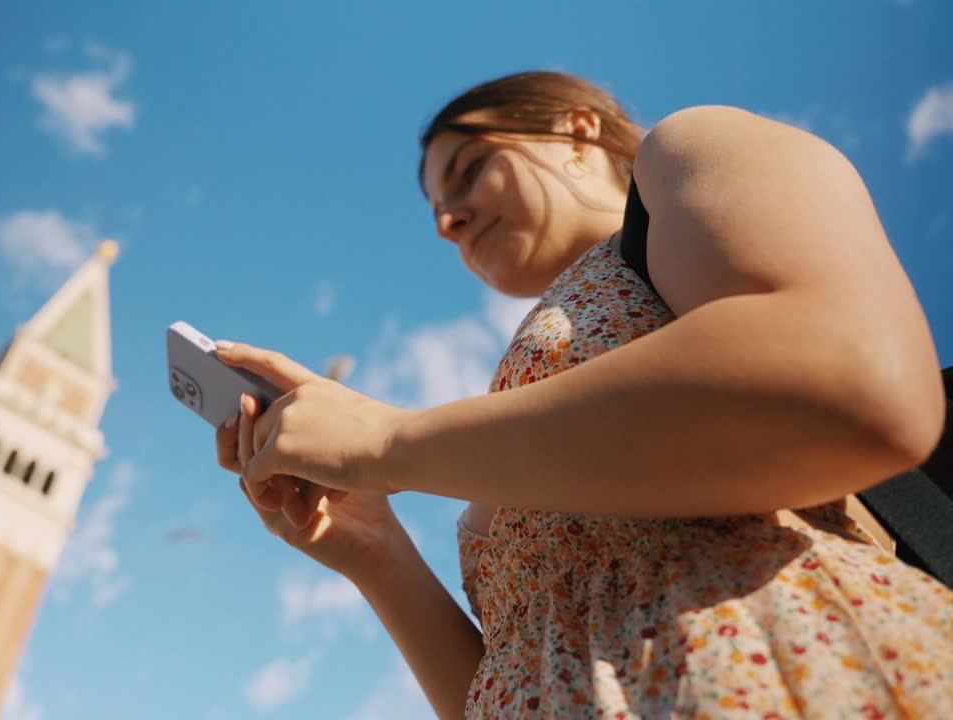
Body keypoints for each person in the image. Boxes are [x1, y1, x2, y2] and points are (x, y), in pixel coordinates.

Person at [211, 71, 953, 718]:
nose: (447, 220)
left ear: (577, 131)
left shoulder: (690, 151)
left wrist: (388, 444)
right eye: (437, 208)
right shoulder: (521, 380)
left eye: (469, 170)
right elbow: (524, 676)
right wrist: (375, 550)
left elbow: (852, 373)